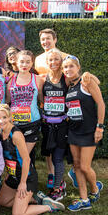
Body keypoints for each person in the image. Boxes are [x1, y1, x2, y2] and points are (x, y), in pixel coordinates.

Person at [0, 104, 65, 215]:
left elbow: (26, 159)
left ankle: (49, 206)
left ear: (10, 117)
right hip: (13, 176)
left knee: (18, 214)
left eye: (4, 117)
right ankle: (35, 199)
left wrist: (22, 183)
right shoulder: (1, 132)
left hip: (26, 177)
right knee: (3, 202)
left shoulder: (16, 135)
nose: (1, 121)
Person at [63, 55, 105, 211]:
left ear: (78, 68)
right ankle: (84, 199)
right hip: (73, 131)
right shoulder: (69, 86)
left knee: (85, 166)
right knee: (77, 165)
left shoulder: (86, 81)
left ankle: (95, 189)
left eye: (71, 66)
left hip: (89, 131)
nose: (68, 69)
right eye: (65, 67)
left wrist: (99, 127)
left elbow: (101, 104)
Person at [40, 49, 69, 200]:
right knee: (50, 155)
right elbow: (41, 98)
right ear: (47, 62)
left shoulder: (67, 78)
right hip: (47, 125)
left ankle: (58, 189)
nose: (53, 62)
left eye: (56, 59)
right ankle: (60, 182)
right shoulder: (43, 78)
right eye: (50, 60)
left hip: (62, 125)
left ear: (61, 61)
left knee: (58, 157)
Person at [7, 50, 44, 161]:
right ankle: (20, 177)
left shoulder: (38, 79)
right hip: (15, 124)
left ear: (32, 63)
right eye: (22, 61)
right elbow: (7, 101)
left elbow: (43, 99)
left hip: (32, 123)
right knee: (17, 155)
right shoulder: (10, 80)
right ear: (17, 63)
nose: (24, 65)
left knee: (23, 157)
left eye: (28, 62)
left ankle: (27, 177)